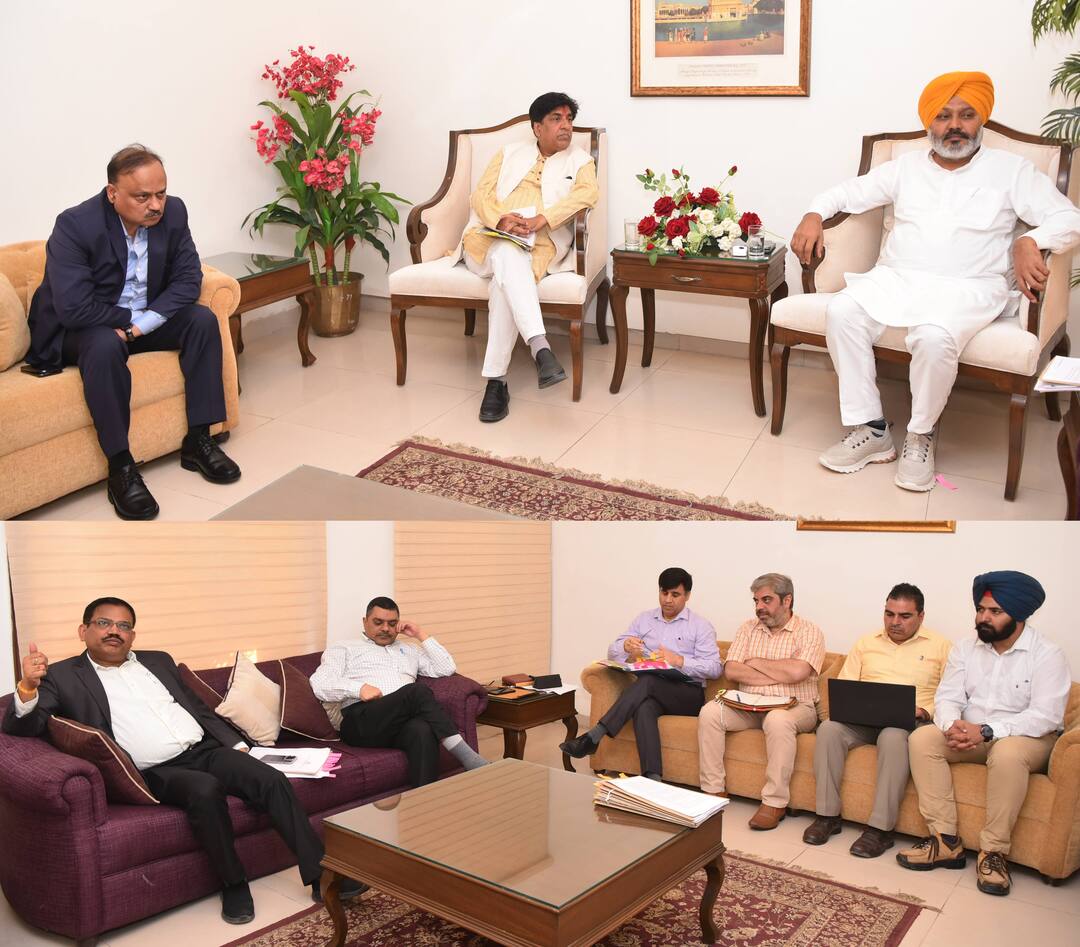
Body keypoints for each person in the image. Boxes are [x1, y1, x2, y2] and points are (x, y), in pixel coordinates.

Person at [788, 72, 1080, 492]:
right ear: (930, 123)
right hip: (898, 278)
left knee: (933, 336)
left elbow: (1068, 218)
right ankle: (870, 429)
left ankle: (920, 434)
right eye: (943, 116)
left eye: (966, 115)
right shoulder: (905, 167)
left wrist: (1031, 239)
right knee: (843, 312)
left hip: (970, 286)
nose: (954, 126)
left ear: (980, 120)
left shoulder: (1011, 170)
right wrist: (814, 214)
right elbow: (847, 193)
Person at [1, 597, 359, 926]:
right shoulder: (62, 676)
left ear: (132, 635)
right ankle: (233, 884)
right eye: (104, 623)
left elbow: (198, 708)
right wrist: (28, 687)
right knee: (205, 790)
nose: (114, 631)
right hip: (155, 770)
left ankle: (319, 874)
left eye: (124, 626)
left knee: (269, 778)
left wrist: (237, 745)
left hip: (205, 750)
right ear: (84, 630)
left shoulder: (158, 660)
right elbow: (22, 728)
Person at [24, 144, 240, 520]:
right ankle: (121, 468)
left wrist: (140, 325)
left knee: (201, 321)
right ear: (113, 193)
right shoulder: (75, 225)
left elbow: (189, 280)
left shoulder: (174, 213)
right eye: (143, 197)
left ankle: (199, 440)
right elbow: (74, 308)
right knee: (105, 345)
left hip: (139, 321)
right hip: (82, 328)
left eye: (161, 193)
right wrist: (129, 322)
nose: (155, 205)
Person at [897, 571, 1070, 896]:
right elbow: (948, 697)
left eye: (994, 611)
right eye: (980, 609)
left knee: (1007, 753)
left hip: (1026, 738)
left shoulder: (1047, 655)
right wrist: (952, 726)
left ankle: (993, 853)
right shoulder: (966, 648)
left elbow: (1044, 717)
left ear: (1018, 615)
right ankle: (945, 841)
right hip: (970, 732)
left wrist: (988, 731)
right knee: (921, 739)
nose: (983, 618)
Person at [456, 92, 599, 422]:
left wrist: (542, 219)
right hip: (487, 238)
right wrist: (500, 220)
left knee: (503, 284)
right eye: (556, 119)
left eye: (569, 119)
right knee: (507, 250)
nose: (566, 126)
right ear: (537, 127)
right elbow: (480, 195)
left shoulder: (581, 161)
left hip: (539, 244)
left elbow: (586, 195)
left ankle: (496, 382)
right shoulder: (508, 153)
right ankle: (540, 347)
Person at [802, 583, 952, 857]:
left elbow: (951, 693)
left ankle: (881, 830)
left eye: (904, 616)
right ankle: (827, 816)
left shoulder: (941, 647)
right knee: (829, 729)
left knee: (892, 737)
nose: (895, 622)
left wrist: (924, 710)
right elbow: (846, 684)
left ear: (921, 616)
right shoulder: (866, 642)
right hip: (863, 720)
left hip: (906, 723)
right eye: (889, 614)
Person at [560, 567, 721, 779]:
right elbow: (613, 652)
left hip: (688, 694)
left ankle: (594, 736)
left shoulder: (700, 626)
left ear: (687, 596)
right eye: (664, 593)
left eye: (675, 594)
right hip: (651, 690)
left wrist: (679, 660)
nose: (668, 600)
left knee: (648, 682)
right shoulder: (644, 620)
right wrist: (625, 646)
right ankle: (652, 778)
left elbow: (715, 668)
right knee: (644, 707)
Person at [309, 596, 487, 788]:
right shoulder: (344, 648)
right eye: (378, 622)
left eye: (392, 623)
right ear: (365, 621)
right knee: (416, 692)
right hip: (361, 721)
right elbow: (319, 683)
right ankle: (468, 758)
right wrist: (359, 689)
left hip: (397, 723)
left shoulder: (409, 650)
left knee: (422, 730)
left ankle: (425, 799)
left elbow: (446, 668)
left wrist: (420, 634)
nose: (386, 628)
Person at [697, 574, 826, 830]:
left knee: (778, 719)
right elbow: (732, 670)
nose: (759, 607)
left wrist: (755, 662)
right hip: (748, 704)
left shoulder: (810, 631)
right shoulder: (747, 629)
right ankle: (712, 792)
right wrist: (780, 672)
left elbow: (798, 673)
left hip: (796, 706)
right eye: (756, 601)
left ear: (787, 600)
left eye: (766, 600)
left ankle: (774, 802)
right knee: (710, 712)